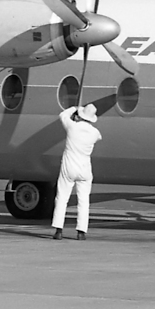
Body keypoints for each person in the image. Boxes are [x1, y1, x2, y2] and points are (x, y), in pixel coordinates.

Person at [52, 102, 103, 240]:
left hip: (69, 166)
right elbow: (99, 137)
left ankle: (58, 230)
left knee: (62, 198)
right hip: (85, 168)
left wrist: (74, 108)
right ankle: (81, 231)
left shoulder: (72, 127)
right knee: (84, 201)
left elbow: (62, 115)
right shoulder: (94, 133)